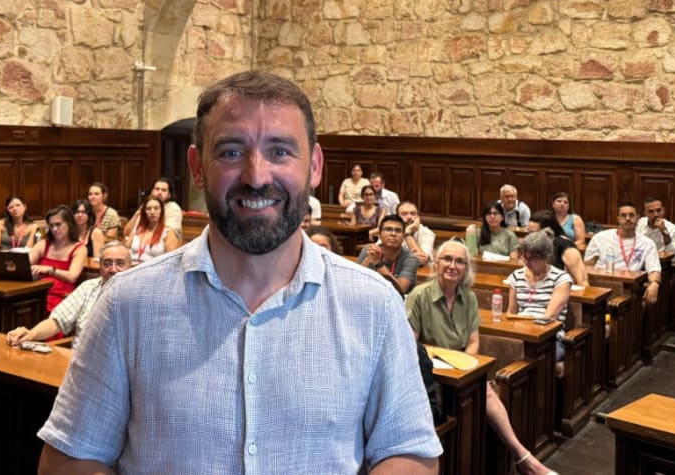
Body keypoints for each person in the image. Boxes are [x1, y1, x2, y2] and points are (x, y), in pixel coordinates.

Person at [38, 70, 440, 473]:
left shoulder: (374, 304)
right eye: (231, 152)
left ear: (314, 166)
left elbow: (409, 452)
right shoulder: (127, 304)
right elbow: (71, 458)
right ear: (197, 167)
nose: (257, 175)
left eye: (280, 151)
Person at [407, 241, 555, 475]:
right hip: (432, 373)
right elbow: (410, 346)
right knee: (484, 391)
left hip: (462, 369)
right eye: (447, 259)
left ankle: (520, 457)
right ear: (436, 263)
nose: (452, 266)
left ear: (466, 268)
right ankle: (524, 458)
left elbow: (474, 341)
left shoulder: (469, 297)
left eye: (460, 261)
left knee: (480, 388)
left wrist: (466, 366)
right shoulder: (419, 295)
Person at [6, 241, 131, 352]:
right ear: (100, 267)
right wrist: (31, 334)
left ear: (130, 266)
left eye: (120, 263)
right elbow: (57, 321)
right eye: (107, 263)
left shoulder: (141, 295)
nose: (113, 269)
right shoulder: (89, 287)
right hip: (80, 361)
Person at [506, 230, 573, 361]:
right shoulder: (516, 276)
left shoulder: (561, 279)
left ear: (546, 257)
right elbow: (510, 313)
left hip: (550, 337)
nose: (527, 262)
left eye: (533, 258)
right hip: (520, 333)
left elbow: (549, 317)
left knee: (533, 358)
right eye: (525, 257)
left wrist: (525, 324)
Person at [585, 202, 662, 306]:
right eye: (623, 215)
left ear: (638, 218)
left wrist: (654, 284)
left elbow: (654, 269)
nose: (628, 218)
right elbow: (587, 266)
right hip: (600, 285)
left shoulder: (647, 243)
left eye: (631, 215)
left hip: (628, 288)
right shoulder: (600, 238)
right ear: (618, 218)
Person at [29, 205, 88, 313]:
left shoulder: (79, 249)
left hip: (62, 297)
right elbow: (24, 265)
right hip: (39, 293)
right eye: (51, 226)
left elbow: (72, 277)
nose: (54, 229)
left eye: (58, 224)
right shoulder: (43, 244)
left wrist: (50, 270)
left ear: (69, 224)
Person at [357, 214, 420, 295]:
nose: (393, 234)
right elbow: (355, 280)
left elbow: (401, 289)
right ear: (379, 234)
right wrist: (367, 260)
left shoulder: (411, 258)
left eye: (398, 230)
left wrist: (378, 263)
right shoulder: (368, 250)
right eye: (388, 229)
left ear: (404, 236)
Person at [527, 210, 589, 287]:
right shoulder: (531, 246)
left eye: (533, 233)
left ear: (547, 232)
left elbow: (582, 281)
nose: (529, 237)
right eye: (528, 233)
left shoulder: (566, 247)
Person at [123, 196, 180, 262]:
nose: (152, 212)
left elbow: (171, 261)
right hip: (133, 267)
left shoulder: (168, 232)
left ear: (161, 211)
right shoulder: (137, 229)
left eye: (156, 208)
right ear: (144, 212)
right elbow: (125, 251)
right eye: (148, 209)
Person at [637, 197, 675, 262]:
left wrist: (664, 231)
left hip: (660, 264)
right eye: (651, 211)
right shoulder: (639, 224)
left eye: (658, 210)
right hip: (639, 262)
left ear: (663, 210)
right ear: (645, 213)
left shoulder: (674, 229)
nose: (656, 214)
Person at [398, 200, 438, 265]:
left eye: (413, 213)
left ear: (418, 217)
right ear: (397, 217)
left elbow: (421, 261)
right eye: (404, 214)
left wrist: (407, 233)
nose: (409, 217)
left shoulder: (427, 233)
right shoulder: (392, 230)